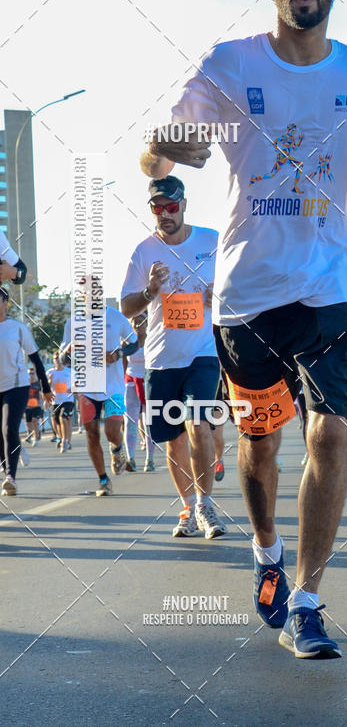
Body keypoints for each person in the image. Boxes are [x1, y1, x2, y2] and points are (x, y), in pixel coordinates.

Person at [140, 0, 347, 658]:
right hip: (248, 293)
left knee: (329, 432)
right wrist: (161, 150)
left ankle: (307, 599)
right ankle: (266, 551)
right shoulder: (229, 63)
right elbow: (157, 156)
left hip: (335, 284)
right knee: (260, 444)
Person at [121, 176, 225, 539]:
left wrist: (220, 297)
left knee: (198, 424)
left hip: (203, 352)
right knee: (174, 439)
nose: (165, 214)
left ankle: (205, 506)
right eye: (157, 208)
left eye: (171, 207)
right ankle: (187, 506)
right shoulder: (143, 251)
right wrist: (150, 291)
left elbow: (243, 285)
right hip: (161, 359)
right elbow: (126, 305)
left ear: (184, 205)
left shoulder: (212, 241)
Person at [60, 281, 138, 496]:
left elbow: (134, 343)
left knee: (112, 431)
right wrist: (68, 352)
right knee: (92, 434)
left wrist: (118, 354)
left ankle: (117, 449)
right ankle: (104, 480)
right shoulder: (73, 322)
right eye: (86, 293)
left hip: (113, 387)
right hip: (87, 387)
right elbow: (63, 358)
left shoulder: (115, 317)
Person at [0, 287, 52, 495]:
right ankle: (8, 466)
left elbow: (36, 359)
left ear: (5, 303)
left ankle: (10, 477)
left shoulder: (17, 328)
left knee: (8, 428)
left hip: (17, 385)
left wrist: (45, 388)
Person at [123, 312, 153, 473]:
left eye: (140, 322)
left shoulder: (152, 339)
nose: (137, 325)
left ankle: (150, 459)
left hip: (148, 381)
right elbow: (122, 363)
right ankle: (130, 458)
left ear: (146, 323)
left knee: (149, 422)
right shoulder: (127, 341)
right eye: (134, 322)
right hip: (131, 381)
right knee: (130, 420)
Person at [47, 351, 74, 452]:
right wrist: (50, 381)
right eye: (55, 358)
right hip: (55, 401)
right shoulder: (50, 372)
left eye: (59, 358)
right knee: (55, 421)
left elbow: (77, 383)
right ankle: (62, 437)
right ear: (53, 360)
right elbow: (46, 389)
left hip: (68, 400)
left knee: (63, 417)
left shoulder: (70, 371)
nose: (57, 360)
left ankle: (65, 441)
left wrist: (73, 388)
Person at [24, 368, 43, 445]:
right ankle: (37, 430)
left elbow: (42, 394)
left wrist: (42, 396)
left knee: (34, 420)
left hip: (37, 406)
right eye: (29, 373)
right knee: (28, 424)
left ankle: (36, 439)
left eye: (32, 373)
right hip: (27, 406)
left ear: (35, 374)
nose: (31, 375)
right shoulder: (25, 384)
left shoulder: (38, 384)